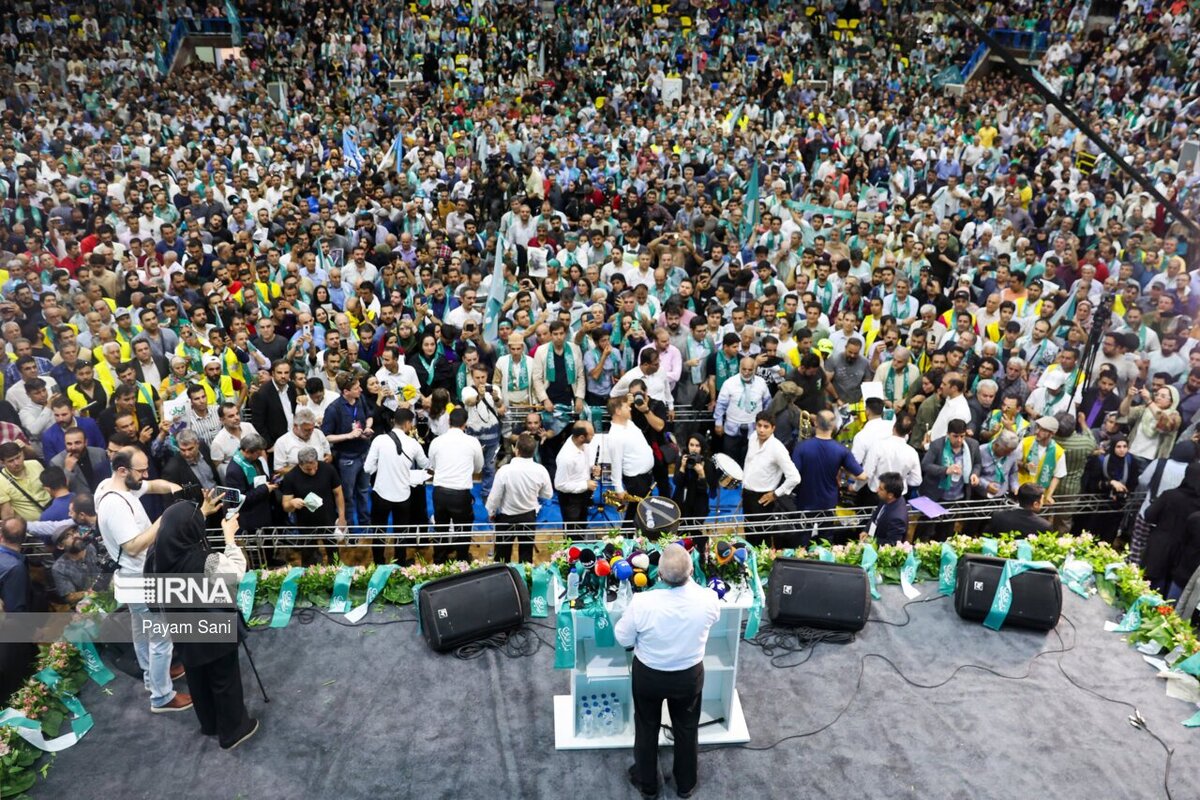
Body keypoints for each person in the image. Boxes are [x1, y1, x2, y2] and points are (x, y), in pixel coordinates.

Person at [146, 497, 260, 750]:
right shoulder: (204, 560)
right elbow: (237, 574)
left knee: (197, 677)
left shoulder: (156, 554)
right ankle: (233, 731)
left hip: (181, 628)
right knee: (224, 679)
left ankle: (209, 724)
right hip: (214, 626)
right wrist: (230, 538)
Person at [614, 544, 719, 800]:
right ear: (692, 569)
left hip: (649, 675)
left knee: (646, 725)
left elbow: (622, 637)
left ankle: (647, 783)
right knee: (686, 727)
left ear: (658, 574)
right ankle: (686, 784)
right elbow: (711, 618)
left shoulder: (643, 602)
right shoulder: (708, 599)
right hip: (688, 676)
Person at [97, 447, 191, 713]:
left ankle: (153, 679)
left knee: (142, 632)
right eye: (141, 471)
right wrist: (166, 519)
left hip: (133, 579)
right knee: (162, 639)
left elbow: (154, 485)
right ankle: (162, 697)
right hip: (140, 578)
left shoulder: (115, 486)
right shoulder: (115, 504)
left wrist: (175, 488)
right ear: (122, 471)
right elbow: (134, 546)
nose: (146, 475)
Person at [364, 408, 430, 563]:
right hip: (403, 495)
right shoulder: (413, 444)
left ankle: (378, 562)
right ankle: (400, 561)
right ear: (407, 424)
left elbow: (367, 468)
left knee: (378, 531)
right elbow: (425, 464)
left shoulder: (379, 440)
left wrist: (381, 469)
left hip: (381, 494)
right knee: (401, 531)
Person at [486, 433, 552, 563]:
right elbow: (547, 494)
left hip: (506, 518)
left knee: (501, 557)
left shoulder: (504, 471)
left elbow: (495, 497)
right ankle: (524, 581)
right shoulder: (541, 470)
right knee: (526, 557)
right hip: (528, 517)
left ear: (516, 450)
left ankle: (502, 581)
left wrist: (491, 512)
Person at [427, 407, 483, 562]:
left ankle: (439, 560)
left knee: (441, 528)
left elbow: (433, 465)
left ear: (449, 422)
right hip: (460, 493)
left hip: (440, 491)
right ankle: (462, 560)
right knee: (463, 529)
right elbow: (479, 468)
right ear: (465, 424)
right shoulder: (472, 442)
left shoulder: (437, 441)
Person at [791, 410, 866, 522]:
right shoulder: (841, 450)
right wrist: (842, 469)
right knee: (826, 538)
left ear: (815, 423)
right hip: (828, 502)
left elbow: (793, 476)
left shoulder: (801, 448)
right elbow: (862, 476)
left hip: (805, 501)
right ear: (833, 426)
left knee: (803, 536)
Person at [323, 371, 375, 527]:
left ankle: (366, 526)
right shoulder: (333, 409)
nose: (360, 390)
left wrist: (367, 427)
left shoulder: (360, 399)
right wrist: (348, 435)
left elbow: (369, 416)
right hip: (347, 458)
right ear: (346, 392)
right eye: (356, 388)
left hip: (364, 453)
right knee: (348, 495)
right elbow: (326, 436)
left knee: (364, 492)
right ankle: (351, 528)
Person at [741, 412, 802, 547]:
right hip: (747, 494)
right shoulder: (752, 438)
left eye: (766, 426)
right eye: (759, 425)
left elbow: (795, 477)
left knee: (762, 540)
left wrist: (775, 494)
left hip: (764, 499)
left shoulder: (777, 448)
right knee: (749, 536)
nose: (761, 430)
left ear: (773, 428)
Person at [279, 447, 346, 566]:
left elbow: (338, 493)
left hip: (328, 519)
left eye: (315, 467)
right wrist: (292, 503)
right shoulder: (291, 477)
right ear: (300, 464)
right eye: (308, 469)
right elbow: (286, 505)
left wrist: (341, 517)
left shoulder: (328, 469)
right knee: (309, 557)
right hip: (305, 523)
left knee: (334, 555)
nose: (313, 471)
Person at [604, 395, 656, 523]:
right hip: (635, 480)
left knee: (643, 511)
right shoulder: (615, 436)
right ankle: (627, 536)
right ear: (618, 411)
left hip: (646, 475)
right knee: (636, 512)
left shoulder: (629, 423)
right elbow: (616, 463)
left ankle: (639, 535)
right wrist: (618, 488)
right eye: (626, 407)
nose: (630, 409)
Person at [713, 357, 770, 466]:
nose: (747, 372)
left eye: (750, 370)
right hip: (732, 427)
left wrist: (765, 423)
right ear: (739, 368)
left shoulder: (761, 383)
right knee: (730, 461)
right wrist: (718, 423)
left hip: (754, 430)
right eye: (744, 369)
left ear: (755, 369)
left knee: (751, 461)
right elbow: (720, 405)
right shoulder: (729, 383)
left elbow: (767, 403)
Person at [553, 422, 599, 529]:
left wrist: (592, 468)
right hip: (570, 500)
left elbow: (582, 466)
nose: (594, 436)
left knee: (582, 525)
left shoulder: (583, 445)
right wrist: (585, 485)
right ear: (581, 437)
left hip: (583, 494)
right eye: (591, 435)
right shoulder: (566, 457)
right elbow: (560, 485)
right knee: (572, 530)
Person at [1018, 416, 1067, 506]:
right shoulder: (1026, 442)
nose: (1037, 432)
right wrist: (1025, 466)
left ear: (1052, 433)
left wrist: (1049, 495)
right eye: (1037, 428)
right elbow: (1014, 461)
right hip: (1021, 491)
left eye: (1043, 430)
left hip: (1039, 495)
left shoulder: (1058, 452)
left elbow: (1057, 476)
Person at [981, 484, 1056, 537]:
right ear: (1036, 504)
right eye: (1042, 500)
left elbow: (985, 538)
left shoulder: (998, 516)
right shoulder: (1044, 526)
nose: (1043, 503)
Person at [863, 472, 909, 546]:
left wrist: (870, 540)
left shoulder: (897, 519)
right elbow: (875, 516)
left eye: (881, 489)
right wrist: (866, 531)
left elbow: (892, 543)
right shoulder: (887, 498)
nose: (877, 490)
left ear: (890, 495)